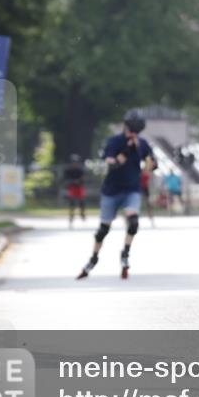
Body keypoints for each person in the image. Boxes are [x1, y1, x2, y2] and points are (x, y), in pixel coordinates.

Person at [77, 110, 156, 280]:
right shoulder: (115, 141)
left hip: (131, 189)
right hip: (112, 190)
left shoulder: (142, 144)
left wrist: (148, 159)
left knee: (133, 222)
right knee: (102, 231)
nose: (133, 134)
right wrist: (127, 151)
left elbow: (151, 165)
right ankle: (93, 258)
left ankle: (125, 254)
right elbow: (111, 163)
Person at [63, 154, 87, 227]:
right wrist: (72, 182)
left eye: (76, 162)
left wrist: (78, 181)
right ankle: (71, 217)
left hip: (79, 187)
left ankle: (82, 213)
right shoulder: (68, 170)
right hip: (72, 187)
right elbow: (65, 179)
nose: (75, 164)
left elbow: (82, 179)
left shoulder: (80, 170)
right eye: (73, 162)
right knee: (72, 203)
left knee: (81, 202)